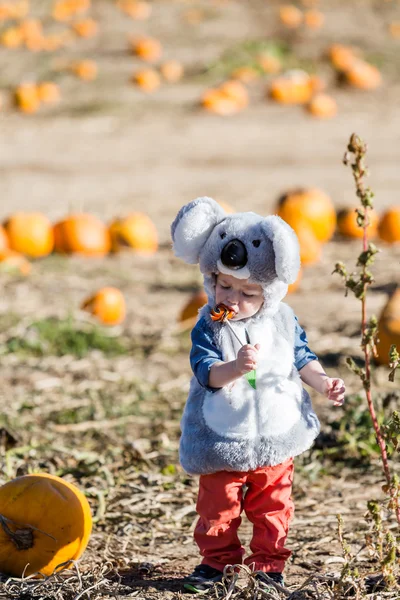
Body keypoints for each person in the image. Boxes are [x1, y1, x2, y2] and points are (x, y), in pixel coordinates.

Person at [171, 197, 345, 593]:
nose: (232, 298)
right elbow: (205, 372)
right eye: (224, 285)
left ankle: (268, 564)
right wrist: (235, 369)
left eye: (247, 292)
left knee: (273, 506)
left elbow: (302, 357)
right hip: (223, 439)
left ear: (271, 290)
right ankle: (218, 563)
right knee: (218, 508)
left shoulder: (282, 321)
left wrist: (324, 382)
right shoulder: (208, 326)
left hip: (275, 436)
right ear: (211, 277)